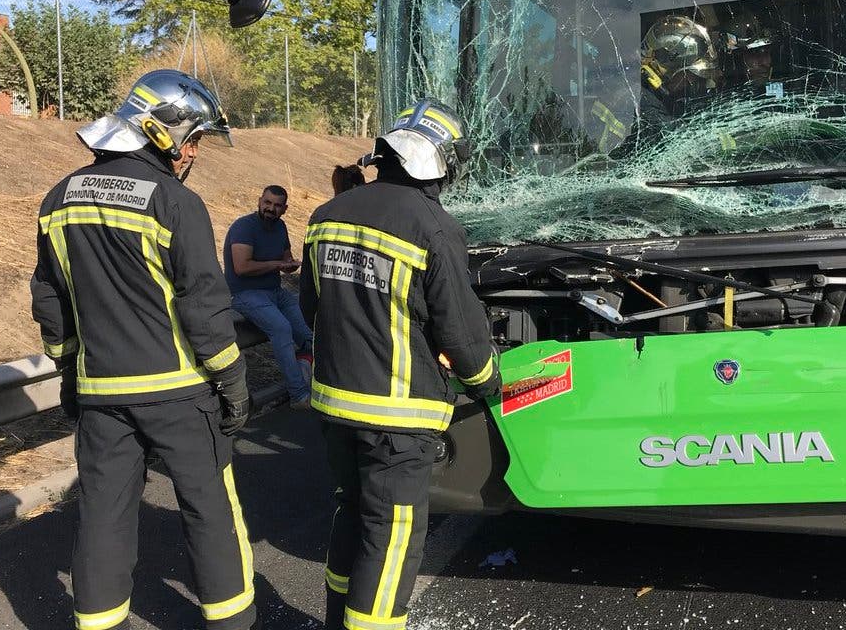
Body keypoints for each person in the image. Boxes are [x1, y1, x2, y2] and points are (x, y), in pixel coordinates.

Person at [30, 69, 257, 630]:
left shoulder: (60, 199)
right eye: (194, 139)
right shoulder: (175, 203)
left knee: (103, 518)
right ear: (166, 133)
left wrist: (67, 374)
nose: (194, 151)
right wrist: (233, 386)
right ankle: (231, 622)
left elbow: (51, 305)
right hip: (179, 393)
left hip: (101, 393)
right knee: (210, 511)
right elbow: (204, 312)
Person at [300, 100, 502, 630]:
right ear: (440, 163)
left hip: (334, 406)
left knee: (352, 513)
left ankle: (333, 620)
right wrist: (488, 383)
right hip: (398, 416)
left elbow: (310, 307)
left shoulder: (326, 215)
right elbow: (459, 331)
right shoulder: (433, 226)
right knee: (390, 540)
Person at [224, 186, 315, 408]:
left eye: (276, 205)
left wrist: (290, 266)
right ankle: (298, 394)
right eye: (267, 203)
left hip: (276, 291)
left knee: (308, 335)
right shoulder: (244, 227)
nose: (270, 209)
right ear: (259, 201)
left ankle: (306, 375)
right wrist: (277, 264)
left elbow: (285, 259)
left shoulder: (281, 227)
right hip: (245, 294)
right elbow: (241, 267)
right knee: (282, 328)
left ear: (284, 209)